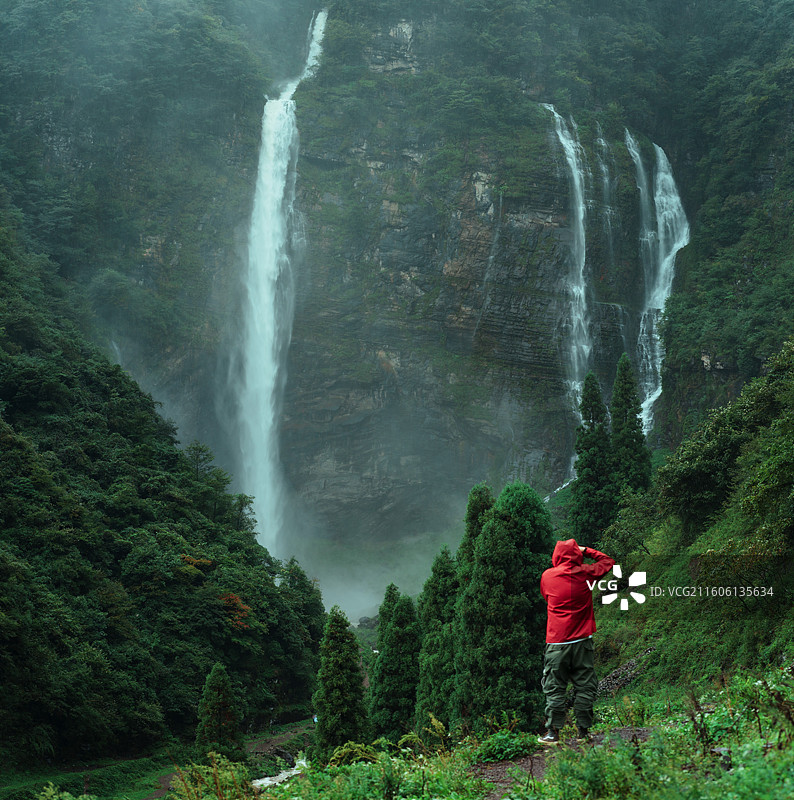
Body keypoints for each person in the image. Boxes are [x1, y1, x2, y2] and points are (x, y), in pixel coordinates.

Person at [537, 538, 615, 745]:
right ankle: (583, 732)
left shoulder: (547, 576)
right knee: (584, 685)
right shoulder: (586, 573)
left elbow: (547, 597)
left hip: (557, 642)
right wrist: (586, 550)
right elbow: (608, 561)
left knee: (555, 686)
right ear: (577, 555)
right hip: (582, 641)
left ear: (556, 556)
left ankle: (553, 733)